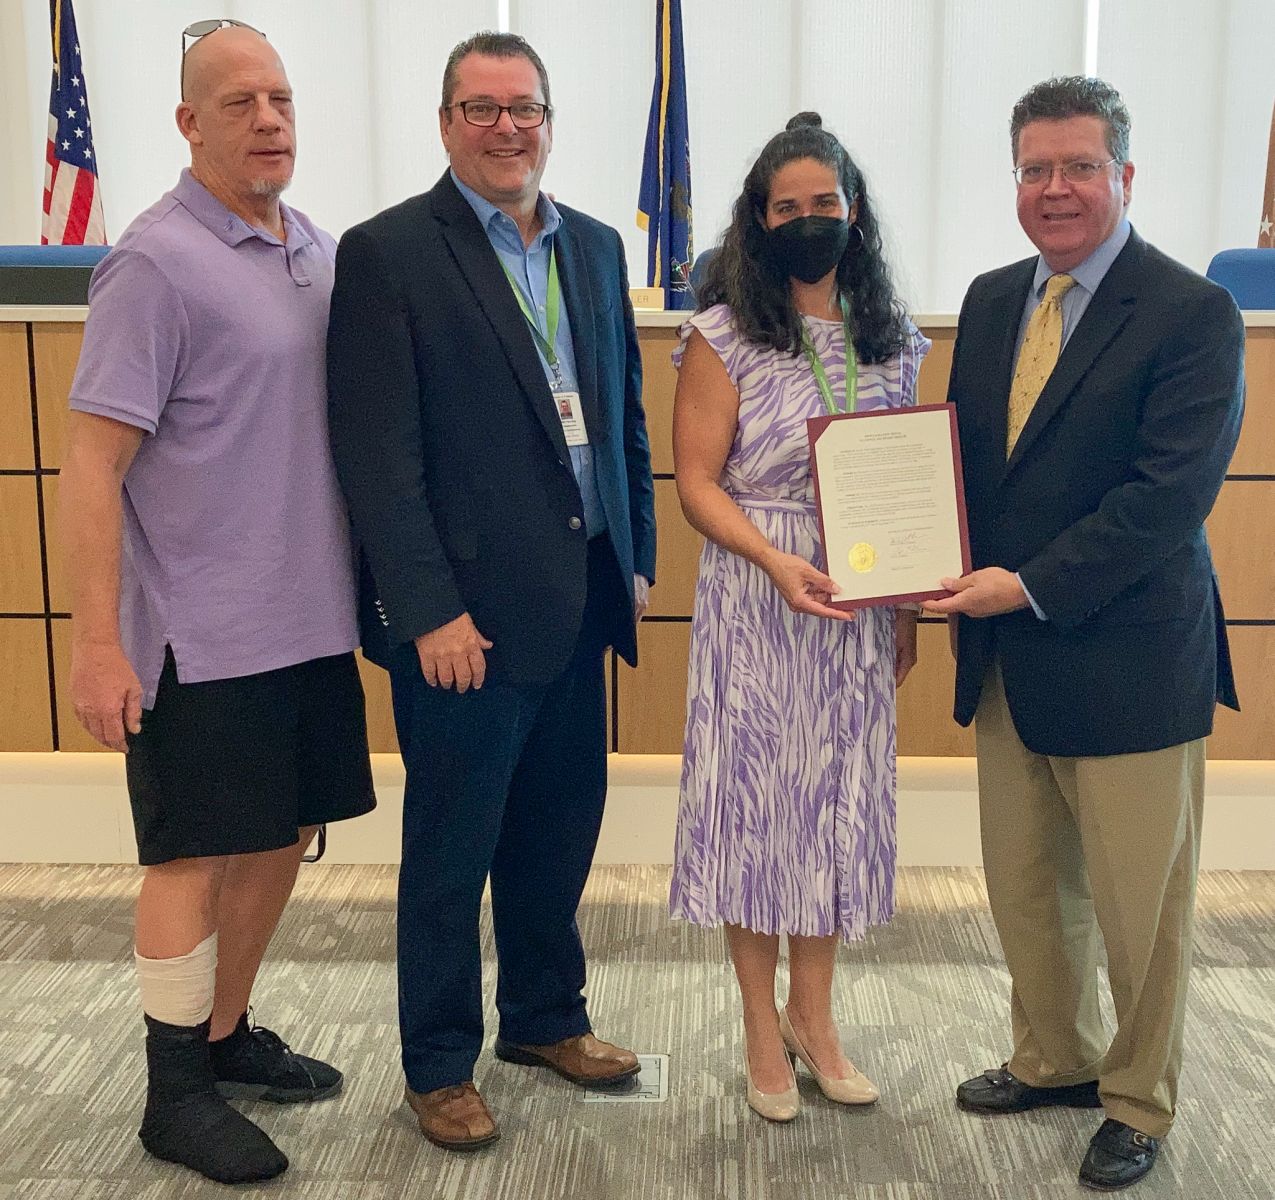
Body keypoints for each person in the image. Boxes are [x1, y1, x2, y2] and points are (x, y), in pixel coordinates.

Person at [325, 31, 657, 1151]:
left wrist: (638, 551)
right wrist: (425, 609)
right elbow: (378, 454)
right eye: (481, 108)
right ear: (445, 123)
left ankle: (545, 1020)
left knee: (560, 830)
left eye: (525, 107)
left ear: (550, 119)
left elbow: (620, 414)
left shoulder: (599, 247)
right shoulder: (389, 254)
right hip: (464, 622)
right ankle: (436, 1063)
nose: (506, 127)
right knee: (452, 849)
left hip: (582, 597)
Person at [59, 21, 375, 1188]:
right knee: (191, 854)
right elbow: (90, 464)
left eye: (281, 98)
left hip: (310, 617)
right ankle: (171, 1092)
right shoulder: (150, 262)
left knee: (287, 834)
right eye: (237, 102)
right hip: (195, 628)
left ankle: (225, 1032)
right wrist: (98, 643)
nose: (268, 120)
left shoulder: (319, 252)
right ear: (189, 123)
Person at [928, 77, 1244, 1191]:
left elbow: (1166, 500)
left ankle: (1138, 1097)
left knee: (1138, 909)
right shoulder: (990, 296)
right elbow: (963, 467)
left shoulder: (1190, 312)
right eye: (1035, 169)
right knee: (1024, 886)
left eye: (1078, 167)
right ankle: (1054, 1058)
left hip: (1129, 655)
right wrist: (905, 553)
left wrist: (1022, 586)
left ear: (1124, 176)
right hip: (1012, 661)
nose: (1054, 189)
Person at [669, 112, 928, 1122]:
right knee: (753, 818)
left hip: (858, 605)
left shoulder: (893, 341)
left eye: (826, 203)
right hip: (758, 597)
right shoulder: (724, 334)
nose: (810, 219)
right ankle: (756, 1022)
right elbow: (696, 483)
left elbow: (907, 490)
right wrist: (777, 560)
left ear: (853, 213)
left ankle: (816, 1022)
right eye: (790, 207)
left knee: (830, 818)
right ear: (759, 221)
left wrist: (903, 607)